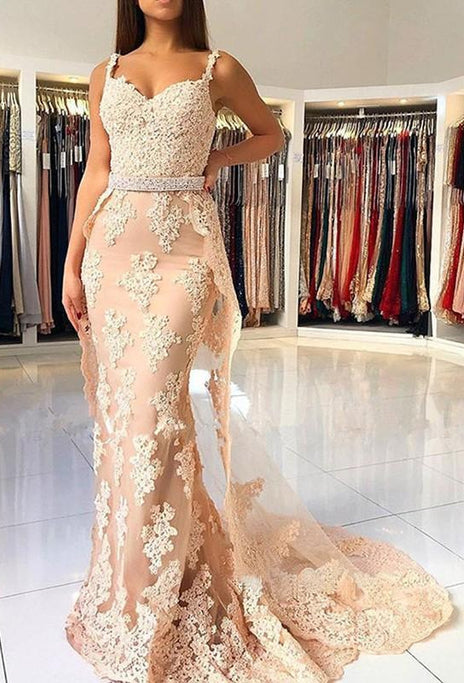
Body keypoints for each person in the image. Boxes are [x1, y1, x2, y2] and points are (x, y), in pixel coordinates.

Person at [62, 1, 453, 681]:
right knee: (126, 423)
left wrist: (217, 155)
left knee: (156, 414)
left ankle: (165, 588)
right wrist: (72, 261)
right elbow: (97, 170)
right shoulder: (107, 73)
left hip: (184, 250)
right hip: (112, 252)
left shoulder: (218, 68)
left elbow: (271, 134)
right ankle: (141, 575)